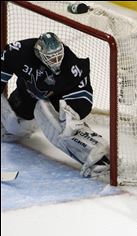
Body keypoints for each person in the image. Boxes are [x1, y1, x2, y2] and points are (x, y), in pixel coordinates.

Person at [1, 32, 109, 178]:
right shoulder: (20, 52)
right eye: (51, 57)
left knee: (63, 125)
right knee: (13, 126)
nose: (56, 61)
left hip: (58, 99)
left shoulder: (70, 64)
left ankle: (99, 156)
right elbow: (4, 63)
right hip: (25, 96)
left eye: (58, 56)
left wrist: (72, 113)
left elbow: (83, 93)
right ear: (39, 53)